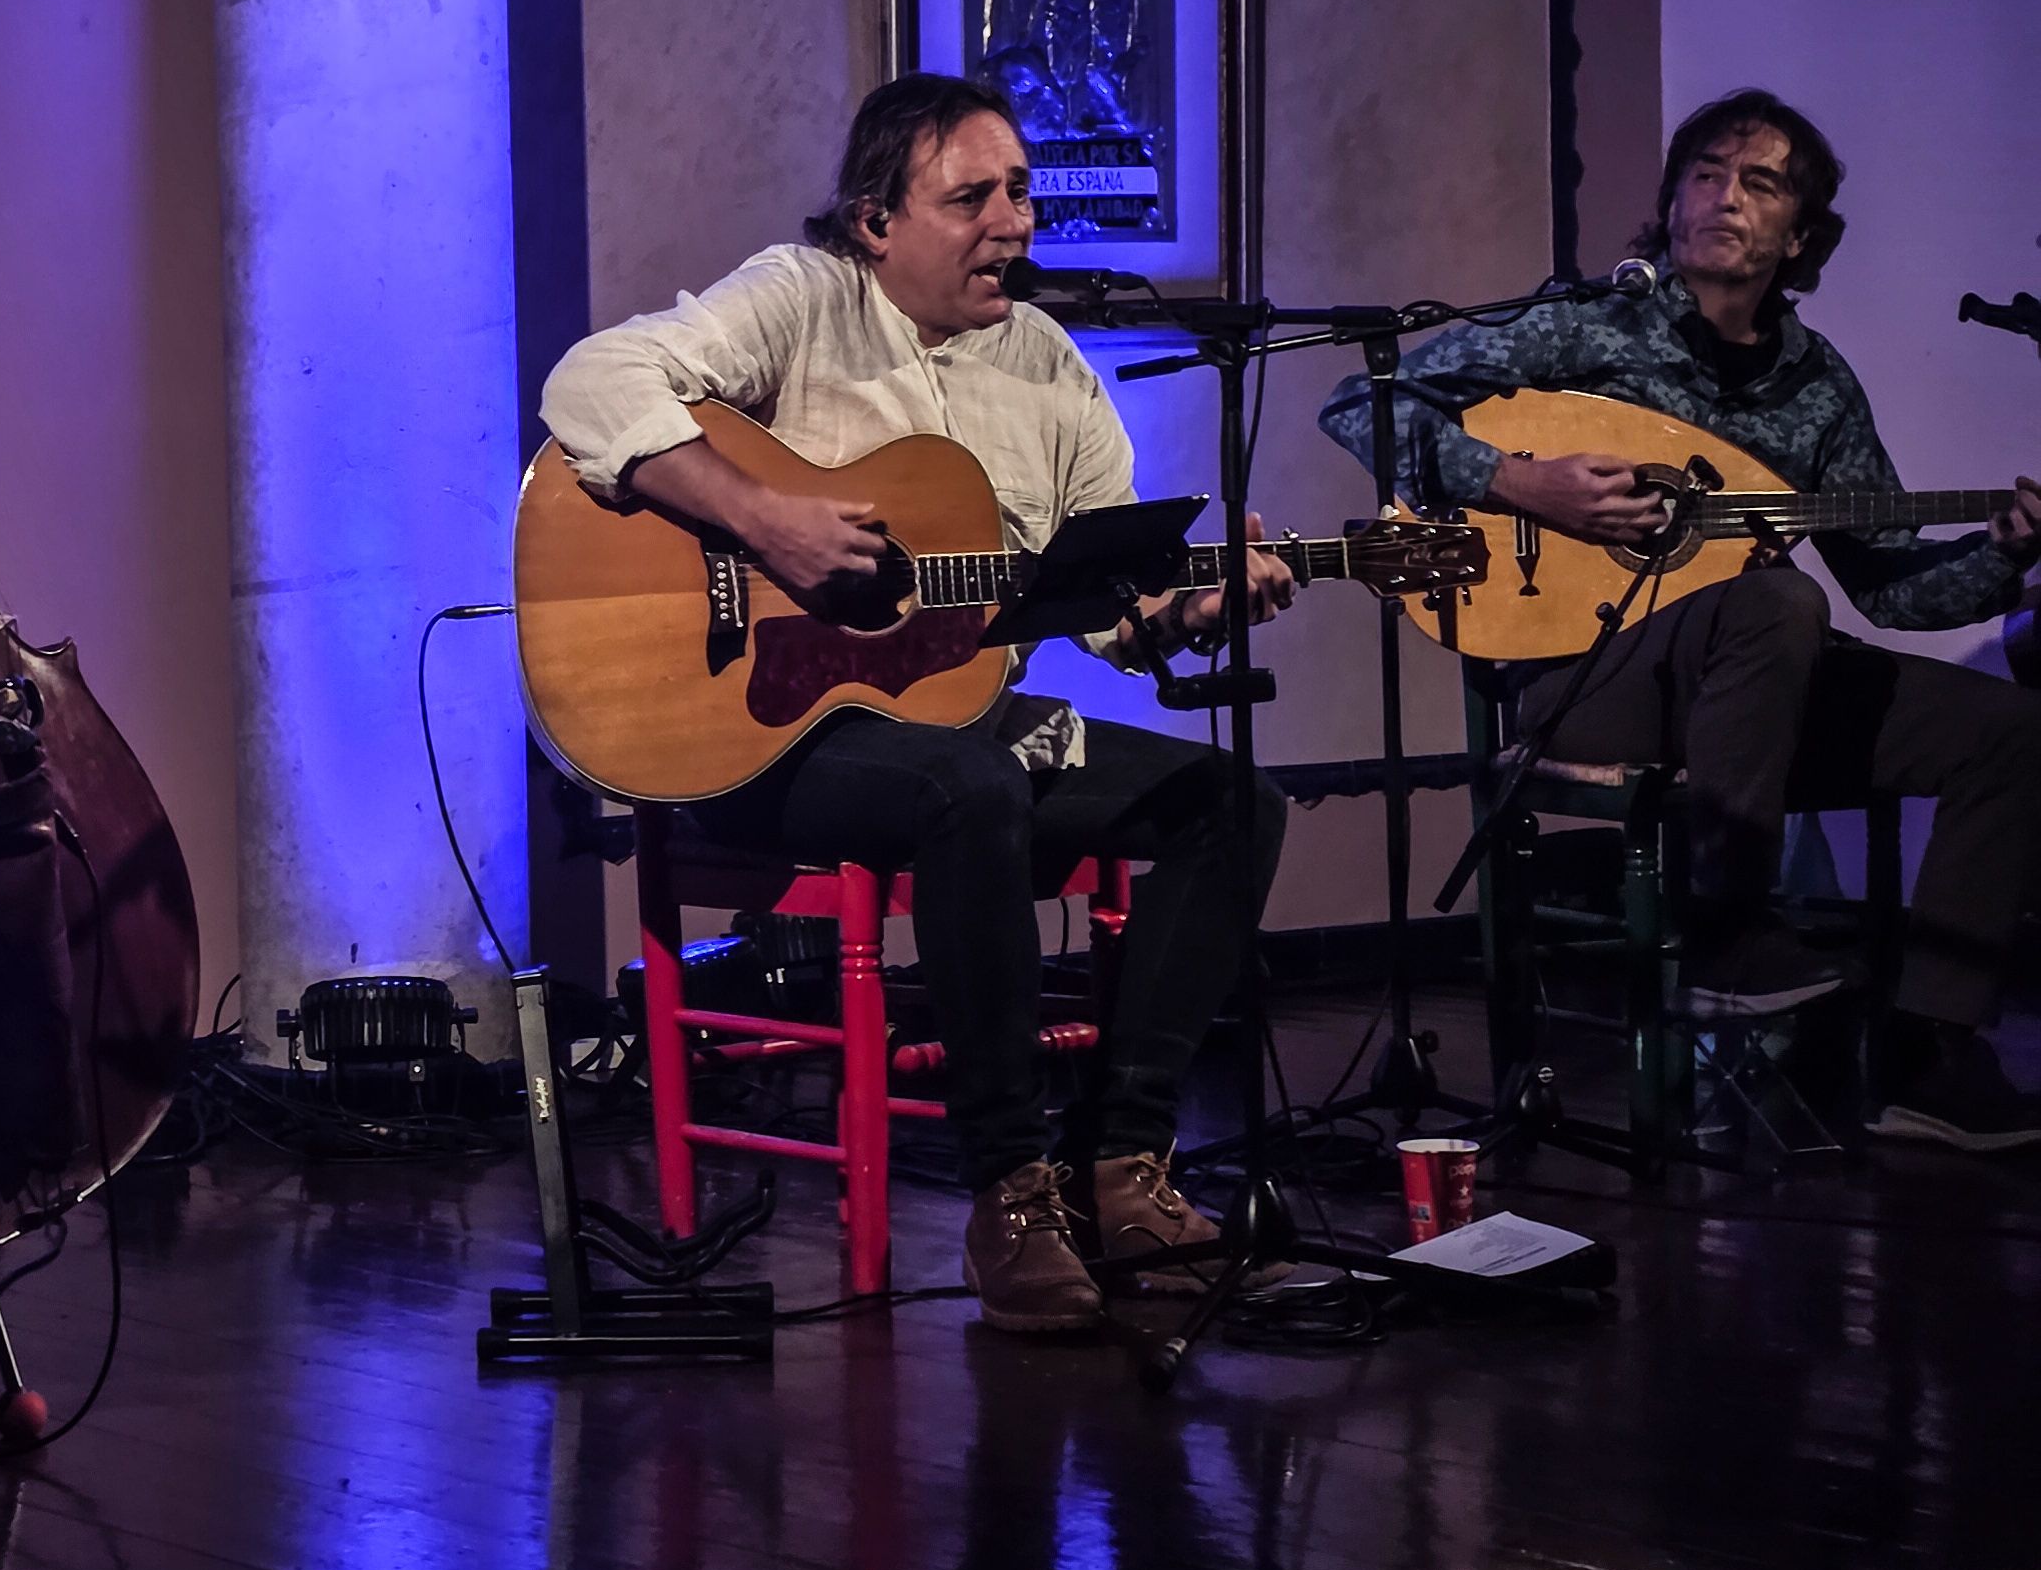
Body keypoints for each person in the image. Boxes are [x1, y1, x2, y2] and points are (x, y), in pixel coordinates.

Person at [541, 74, 1290, 1337]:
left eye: (1022, 192)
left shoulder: (1050, 369)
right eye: (973, 196)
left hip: (956, 734)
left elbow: (1100, 605)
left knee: (1236, 801)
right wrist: (764, 518)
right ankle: (1009, 1189)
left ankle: (1119, 1167)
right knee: (972, 784)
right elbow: (591, 382)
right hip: (769, 730)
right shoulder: (803, 297)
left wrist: (1179, 612)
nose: (1015, 220)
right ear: (876, 219)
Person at [1320, 91, 2041, 1149]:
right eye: (1705, 172)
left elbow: (1891, 588)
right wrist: (1521, 481)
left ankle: (1930, 1052)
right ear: (1669, 201)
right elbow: (1361, 403)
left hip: (1757, 688)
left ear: (1800, 236)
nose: (1724, 197)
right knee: (1774, 599)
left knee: (2012, 734)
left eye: (1761, 183)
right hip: (1588, 682)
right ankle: (1729, 933)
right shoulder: (1586, 328)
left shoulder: (1818, 386)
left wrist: (2006, 554)